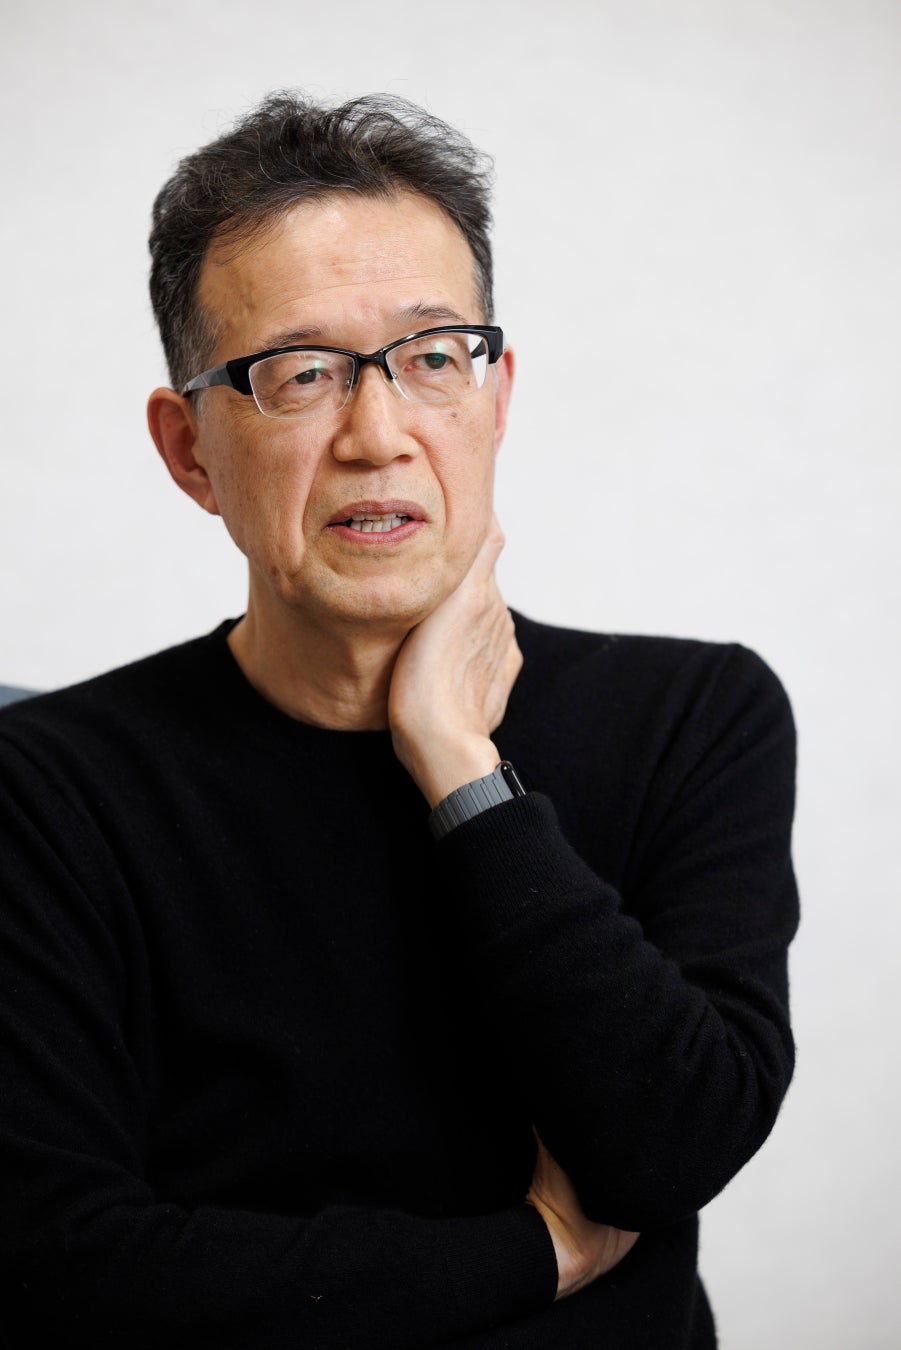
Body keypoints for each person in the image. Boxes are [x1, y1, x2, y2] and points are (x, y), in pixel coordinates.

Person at [0, 93, 798, 1348]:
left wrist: (462, 771)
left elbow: (672, 1147)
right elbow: (61, 1262)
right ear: (190, 450)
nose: (377, 436)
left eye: (432, 358)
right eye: (301, 374)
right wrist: (530, 1255)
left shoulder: (694, 716)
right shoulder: (48, 787)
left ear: (495, 396)